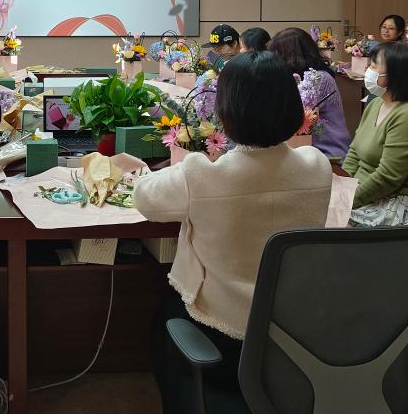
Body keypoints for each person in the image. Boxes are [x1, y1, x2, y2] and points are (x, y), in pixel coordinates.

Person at [134, 51, 333, 412]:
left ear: (224, 111)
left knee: (164, 317)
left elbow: (144, 198)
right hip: (294, 336)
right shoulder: (317, 167)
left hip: (222, 337)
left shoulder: (202, 175)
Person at [343, 42, 408, 226]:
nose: (368, 70)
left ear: (397, 74)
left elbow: (387, 178)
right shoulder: (376, 103)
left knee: (320, 221)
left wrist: (345, 202)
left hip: (406, 204)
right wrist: (342, 187)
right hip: (374, 195)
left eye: (375, 66)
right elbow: (354, 152)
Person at [267, 27, 351, 159]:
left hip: (326, 153)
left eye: (277, 56)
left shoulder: (319, 79)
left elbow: (288, 116)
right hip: (304, 149)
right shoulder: (299, 77)